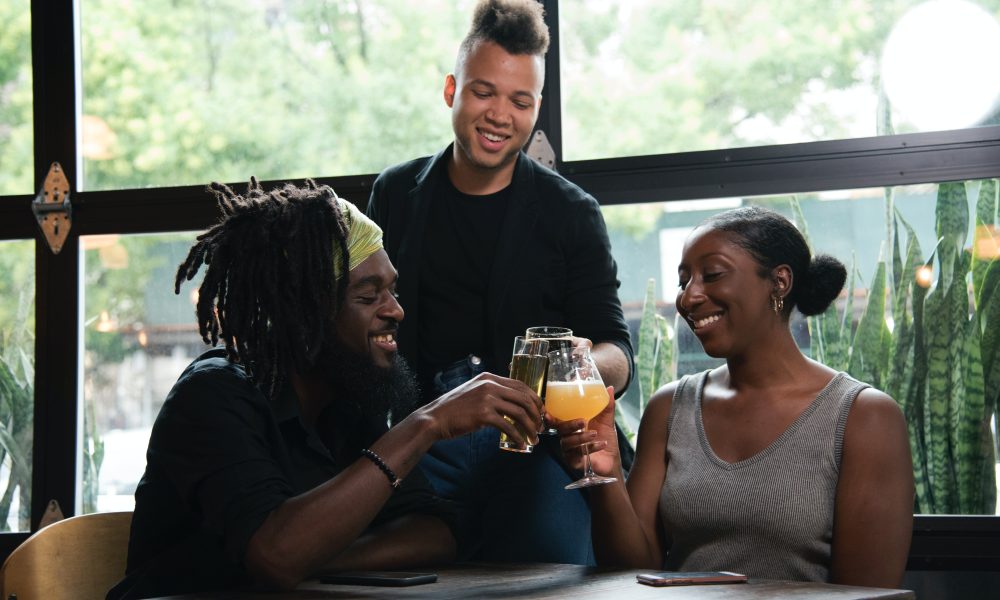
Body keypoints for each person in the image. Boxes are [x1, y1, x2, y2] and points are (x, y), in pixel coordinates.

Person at [107, 179, 542, 599]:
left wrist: (324, 555)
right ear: (305, 314)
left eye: (392, 289)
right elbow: (277, 556)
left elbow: (438, 531)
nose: (396, 310)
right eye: (368, 296)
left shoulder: (346, 400)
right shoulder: (211, 399)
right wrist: (426, 423)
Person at [366, 0, 633, 565]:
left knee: (550, 572)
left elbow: (619, 354)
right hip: (424, 440)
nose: (500, 115)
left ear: (536, 109)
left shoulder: (572, 213)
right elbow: (363, 325)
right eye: (484, 92)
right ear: (450, 91)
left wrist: (583, 361)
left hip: (536, 448)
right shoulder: (394, 195)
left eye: (521, 101)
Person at [555, 206, 914, 587]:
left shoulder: (864, 416)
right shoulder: (669, 407)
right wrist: (605, 474)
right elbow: (629, 570)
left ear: (779, 282)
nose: (689, 297)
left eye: (712, 275)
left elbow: (866, 593)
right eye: (683, 281)